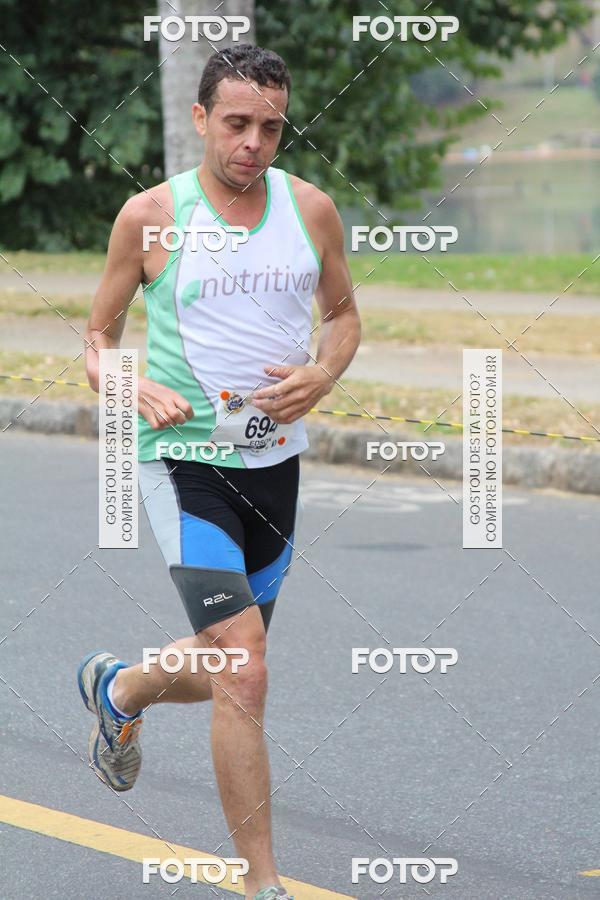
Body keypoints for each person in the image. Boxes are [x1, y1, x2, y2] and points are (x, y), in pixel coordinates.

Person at [78, 44, 361, 900]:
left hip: (275, 467)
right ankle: (264, 885)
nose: (253, 142)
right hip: (183, 462)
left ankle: (119, 688)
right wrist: (137, 385)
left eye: (270, 127)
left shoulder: (311, 211)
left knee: (230, 662)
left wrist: (325, 369)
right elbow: (97, 340)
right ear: (201, 119)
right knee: (244, 663)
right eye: (236, 123)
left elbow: (344, 315)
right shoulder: (151, 217)